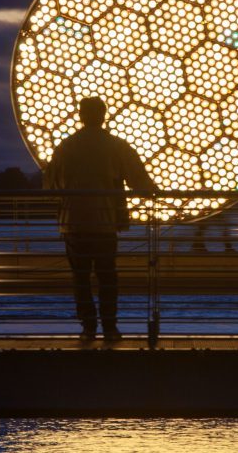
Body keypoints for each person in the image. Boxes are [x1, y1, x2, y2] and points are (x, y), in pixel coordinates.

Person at [44, 96, 156, 342]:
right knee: (107, 275)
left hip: (73, 222)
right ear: (104, 115)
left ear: (81, 115)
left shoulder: (65, 146)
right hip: (105, 222)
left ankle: (88, 326)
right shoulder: (116, 145)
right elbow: (140, 181)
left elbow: (50, 183)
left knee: (80, 277)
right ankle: (110, 326)